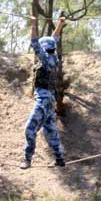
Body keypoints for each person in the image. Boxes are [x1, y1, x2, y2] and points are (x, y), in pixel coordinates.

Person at [21, 15, 67, 170]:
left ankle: (27, 159)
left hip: (43, 100)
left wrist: (33, 24)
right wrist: (60, 24)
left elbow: (34, 43)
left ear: (44, 48)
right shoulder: (53, 57)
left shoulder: (46, 59)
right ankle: (60, 159)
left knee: (29, 129)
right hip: (50, 102)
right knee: (50, 132)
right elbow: (55, 38)